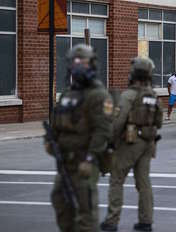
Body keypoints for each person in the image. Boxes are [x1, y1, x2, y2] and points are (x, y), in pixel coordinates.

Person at [45, 44, 113, 232]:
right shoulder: (67, 94)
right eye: (75, 62)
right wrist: (50, 141)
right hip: (65, 162)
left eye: (82, 62)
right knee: (60, 203)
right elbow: (56, 123)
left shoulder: (99, 95)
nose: (78, 65)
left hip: (85, 163)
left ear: (91, 64)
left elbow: (103, 131)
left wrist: (91, 158)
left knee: (86, 212)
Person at [100, 57, 163, 232]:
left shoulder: (128, 96)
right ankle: (146, 221)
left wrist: (110, 142)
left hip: (130, 143)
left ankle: (112, 221)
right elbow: (159, 121)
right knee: (143, 183)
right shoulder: (153, 96)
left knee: (117, 179)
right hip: (148, 143)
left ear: (134, 73)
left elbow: (118, 122)